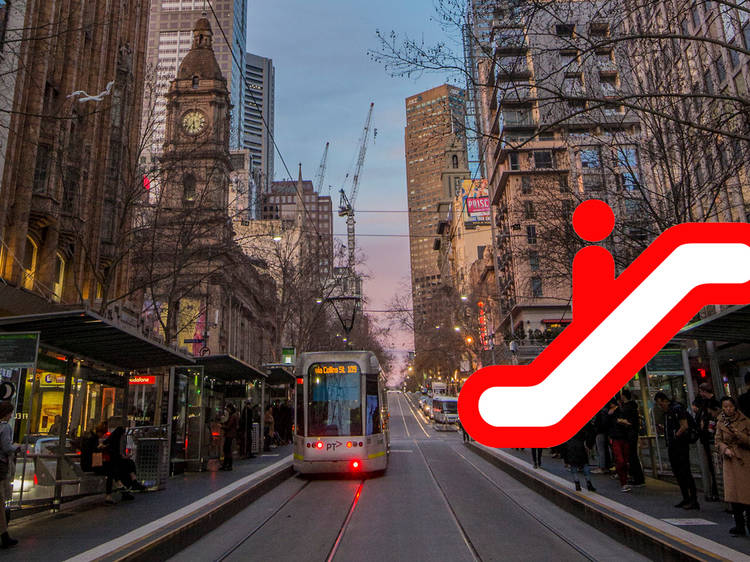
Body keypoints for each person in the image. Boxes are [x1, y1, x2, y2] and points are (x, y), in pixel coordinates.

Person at [654, 392, 699, 510]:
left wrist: (675, 436)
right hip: (673, 446)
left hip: (680, 445)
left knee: (685, 472)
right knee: (678, 473)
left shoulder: (677, 409)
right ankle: (686, 498)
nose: (660, 406)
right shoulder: (668, 412)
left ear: (664, 400)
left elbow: (684, 426)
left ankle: (693, 500)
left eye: (660, 403)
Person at [715, 396, 750, 536]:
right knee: (734, 495)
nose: (728, 409)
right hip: (730, 461)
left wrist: (739, 434)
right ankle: (739, 525)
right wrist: (725, 449)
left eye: (730, 406)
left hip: (744, 460)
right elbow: (717, 441)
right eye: (725, 407)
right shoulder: (720, 422)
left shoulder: (745, 421)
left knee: (746, 494)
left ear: (735, 407)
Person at [693, 382, 720, 501]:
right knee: (711, 464)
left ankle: (716, 490)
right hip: (705, 436)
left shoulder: (714, 403)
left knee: (715, 465)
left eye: (701, 391)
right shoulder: (703, 402)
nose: (700, 394)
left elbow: (715, 415)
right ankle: (714, 490)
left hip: (712, 437)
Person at [607, 394, 637, 492]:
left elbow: (630, 422)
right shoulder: (610, 413)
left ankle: (625, 480)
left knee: (625, 460)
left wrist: (625, 422)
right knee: (621, 460)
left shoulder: (623, 410)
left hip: (624, 437)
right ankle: (623, 482)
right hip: (617, 438)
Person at [0, 402, 18, 548]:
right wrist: (16, 447)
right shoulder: (5, 427)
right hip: (0, 468)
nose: (11, 415)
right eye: (10, 412)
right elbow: (6, 447)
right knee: (1, 500)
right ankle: (4, 535)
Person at [621, 390, 646, 487]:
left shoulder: (628, 407)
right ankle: (636, 477)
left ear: (624, 396)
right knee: (632, 456)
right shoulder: (632, 406)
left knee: (632, 456)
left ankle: (638, 479)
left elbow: (630, 422)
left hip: (630, 433)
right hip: (632, 433)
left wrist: (622, 421)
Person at [564, 423, 596, 492]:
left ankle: (577, 484)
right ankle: (589, 483)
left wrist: (565, 460)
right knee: (585, 464)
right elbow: (590, 433)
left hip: (570, 446)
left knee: (573, 466)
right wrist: (588, 445)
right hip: (581, 445)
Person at [591, 405, 611, 474]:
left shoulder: (601, 412)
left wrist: (596, 429)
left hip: (600, 432)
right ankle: (603, 466)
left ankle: (602, 467)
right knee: (603, 450)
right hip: (602, 432)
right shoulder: (605, 410)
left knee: (600, 450)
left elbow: (600, 423)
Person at [220, 404, 239, 471]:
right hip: (230, 434)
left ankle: (228, 464)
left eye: (227, 409)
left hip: (229, 434)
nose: (227, 410)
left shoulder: (233, 416)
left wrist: (222, 426)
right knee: (226, 449)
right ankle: (226, 464)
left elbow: (229, 426)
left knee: (227, 449)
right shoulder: (233, 415)